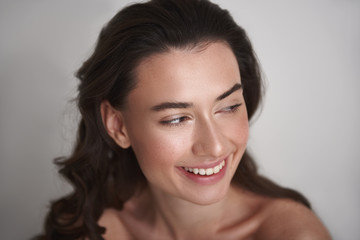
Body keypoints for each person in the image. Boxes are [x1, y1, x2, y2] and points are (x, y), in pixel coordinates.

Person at [35, 0, 331, 239]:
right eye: (177, 119)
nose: (214, 147)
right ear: (118, 125)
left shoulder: (293, 234)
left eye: (228, 107)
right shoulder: (92, 231)